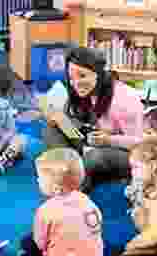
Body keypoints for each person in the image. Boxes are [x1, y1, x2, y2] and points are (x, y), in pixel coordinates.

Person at [43, 47, 144, 192]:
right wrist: (58, 119)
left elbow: (139, 143)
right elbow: (76, 121)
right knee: (51, 130)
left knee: (93, 157)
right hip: (93, 141)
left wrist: (109, 140)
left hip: (126, 152)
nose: (76, 83)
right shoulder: (78, 91)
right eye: (71, 78)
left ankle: (79, 178)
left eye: (82, 76)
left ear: (98, 74)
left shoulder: (123, 100)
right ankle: (74, 171)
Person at [17, 148, 104, 256]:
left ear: (57, 189)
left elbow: (40, 243)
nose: (37, 180)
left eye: (40, 178)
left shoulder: (46, 210)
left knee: (26, 242)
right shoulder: (88, 201)